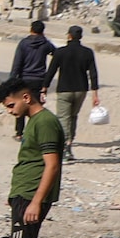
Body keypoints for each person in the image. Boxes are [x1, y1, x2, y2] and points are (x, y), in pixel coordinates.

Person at [0, 78, 63, 238]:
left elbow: (52, 165)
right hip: (24, 193)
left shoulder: (44, 122)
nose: (10, 111)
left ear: (26, 97)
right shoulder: (34, 121)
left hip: (31, 194)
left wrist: (35, 202)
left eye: (11, 105)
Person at [46, 24, 102, 163]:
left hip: (64, 89)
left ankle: (65, 149)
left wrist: (44, 87)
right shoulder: (88, 52)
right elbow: (93, 74)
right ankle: (69, 144)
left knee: (63, 118)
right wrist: (95, 93)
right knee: (73, 117)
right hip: (81, 89)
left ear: (69, 36)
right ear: (80, 37)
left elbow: (51, 71)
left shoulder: (60, 52)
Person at [8, 19, 55, 92]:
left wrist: (11, 80)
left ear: (31, 30)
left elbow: (17, 64)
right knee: (36, 102)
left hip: (24, 78)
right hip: (39, 80)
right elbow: (56, 54)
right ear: (42, 31)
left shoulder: (23, 43)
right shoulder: (46, 44)